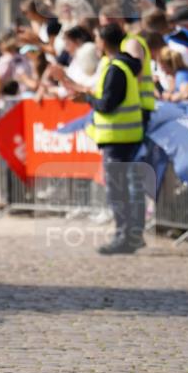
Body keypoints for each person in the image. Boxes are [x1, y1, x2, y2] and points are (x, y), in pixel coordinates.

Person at [62, 22, 146, 255]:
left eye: (97, 38)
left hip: (117, 137)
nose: (95, 42)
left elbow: (108, 104)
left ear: (103, 42)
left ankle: (124, 236)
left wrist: (86, 100)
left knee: (118, 190)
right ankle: (131, 235)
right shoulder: (123, 64)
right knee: (128, 188)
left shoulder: (116, 67)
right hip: (126, 136)